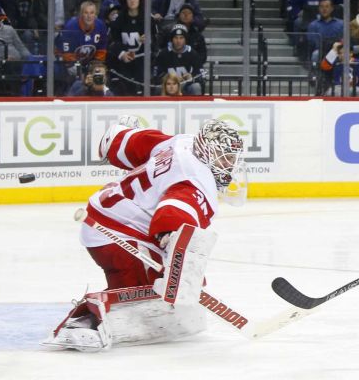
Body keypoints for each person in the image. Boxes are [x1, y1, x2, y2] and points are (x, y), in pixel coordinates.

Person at [42, 117, 246, 351]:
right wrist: (178, 267)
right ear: (209, 153)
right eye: (227, 158)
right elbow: (171, 215)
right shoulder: (198, 182)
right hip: (116, 231)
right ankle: (85, 321)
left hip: (110, 214)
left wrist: (119, 135)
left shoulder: (181, 144)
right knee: (155, 291)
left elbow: (124, 143)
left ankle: (101, 313)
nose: (230, 166)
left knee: (174, 284)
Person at [108, 0, 145, 96]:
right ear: (126, 1)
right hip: (123, 61)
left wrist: (149, 41)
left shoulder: (147, 18)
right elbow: (113, 42)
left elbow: (156, 42)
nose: (132, 1)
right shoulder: (119, 19)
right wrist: (122, 53)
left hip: (142, 61)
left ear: (139, 0)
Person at [154, 23, 204, 95]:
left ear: (185, 39)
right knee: (157, 89)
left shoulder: (192, 53)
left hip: (185, 87)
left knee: (196, 87)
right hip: (168, 87)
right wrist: (170, 78)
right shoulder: (163, 54)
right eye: (176, 38)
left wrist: (192, 77)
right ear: (172, 39)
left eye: (181, 38)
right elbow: (156, 75)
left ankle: (194, 106)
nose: (178, 41)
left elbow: (201, 75)